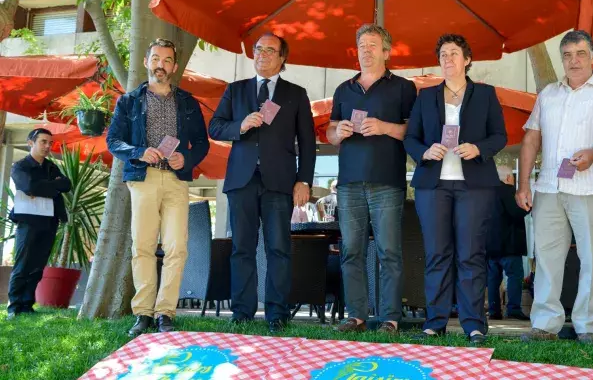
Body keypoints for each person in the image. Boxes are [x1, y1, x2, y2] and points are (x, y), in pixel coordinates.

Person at [515, 30, 593, 345]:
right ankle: (545, 325)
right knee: (547, 257)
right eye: (567, 55)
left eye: (580, 53)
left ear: (592, 55)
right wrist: (523, 184)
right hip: (549, 187)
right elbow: (532, 138)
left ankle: (587, 327)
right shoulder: (548, 93)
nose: (573, 60)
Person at [209, 32, 316, 332]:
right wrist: (239, 125)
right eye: (258, 49)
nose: (262, 55)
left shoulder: (296, 94)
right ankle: (242, 312)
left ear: (283, 58)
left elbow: (307, 143)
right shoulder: (236, 90)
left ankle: (277, 314)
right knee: (242, 248)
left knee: (278, 248)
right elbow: (215, 127)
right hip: (241, 181)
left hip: (280, 182)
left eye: (270, 50)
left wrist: (303, 180)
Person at [404, 33, 507, 345]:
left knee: (471, 255)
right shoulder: (424, 97)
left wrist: (478, 148)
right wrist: (423, 151)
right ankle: (434, 322)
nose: (447, 59)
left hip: (474, 185)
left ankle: (474, 324)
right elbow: (411, 138)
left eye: (453, 53)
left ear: (467, 60)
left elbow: (499, 136)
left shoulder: (486, 94)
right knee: (437, 254)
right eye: (443, 55)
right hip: (432, 186)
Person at [107, 38, 210, 336]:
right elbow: (113, 141)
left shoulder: (188, 102)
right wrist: (138, 152)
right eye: (155, 59)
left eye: (166, 60)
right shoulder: (128, 101)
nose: (160, 65)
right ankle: (143, 313)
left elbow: (202, 143)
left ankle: (165, 312)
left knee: (177, 246)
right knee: (143, 246)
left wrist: (187, 157)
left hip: (177, 180)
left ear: (174, 67)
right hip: (143, 178)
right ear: (146, 61)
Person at [326, 24, 417, 334]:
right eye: (361, 45)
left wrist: (384, 127)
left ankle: (390, 318)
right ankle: (357, 315)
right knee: (351, 251)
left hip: (387, 181)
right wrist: (336, 133)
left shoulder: (404, 88)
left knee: (388, 252)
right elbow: (330, 132)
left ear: (386, 52)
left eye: (372, 45)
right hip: (349, 182)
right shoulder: (343, 89)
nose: (366, 49)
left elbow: (412, 133)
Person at [5, 129, 71, 321]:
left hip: (49, 220)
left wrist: (44, 186)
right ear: (30, 143)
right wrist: (52, 186)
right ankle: (14, 306)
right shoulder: (20, 166)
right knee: (23, 264)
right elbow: (28, 187)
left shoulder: (51, 167)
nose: (48, 146)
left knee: (38, 266)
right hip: (28, 221)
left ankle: (27, 305)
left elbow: (66, 185)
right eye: (43, 142)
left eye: (50, 143)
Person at [487, 166, 529, 321]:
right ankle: (513, 309)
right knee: (514, 276)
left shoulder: (486, 192)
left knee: (493, 279)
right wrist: (528, 207)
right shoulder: (508, 191)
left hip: (491, 245)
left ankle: (493, 310)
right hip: (510, 244)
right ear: (508, 178)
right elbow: (515, 212)